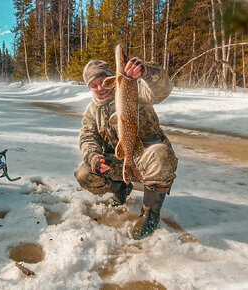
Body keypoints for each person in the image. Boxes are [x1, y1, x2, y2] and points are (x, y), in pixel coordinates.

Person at [74, 58, 178, 240]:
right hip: (121, 164)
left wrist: (147, 72)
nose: (100, 88)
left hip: (146, 162)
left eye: (104, 81)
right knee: (84, 172)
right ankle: (120, 188)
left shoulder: (133, 92)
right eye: (94, 85)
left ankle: (150, 214)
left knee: (160, 154)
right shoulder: (92, 111)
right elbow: (88, 137)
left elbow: (162, 90)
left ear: (112, 78)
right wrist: (93, 157)